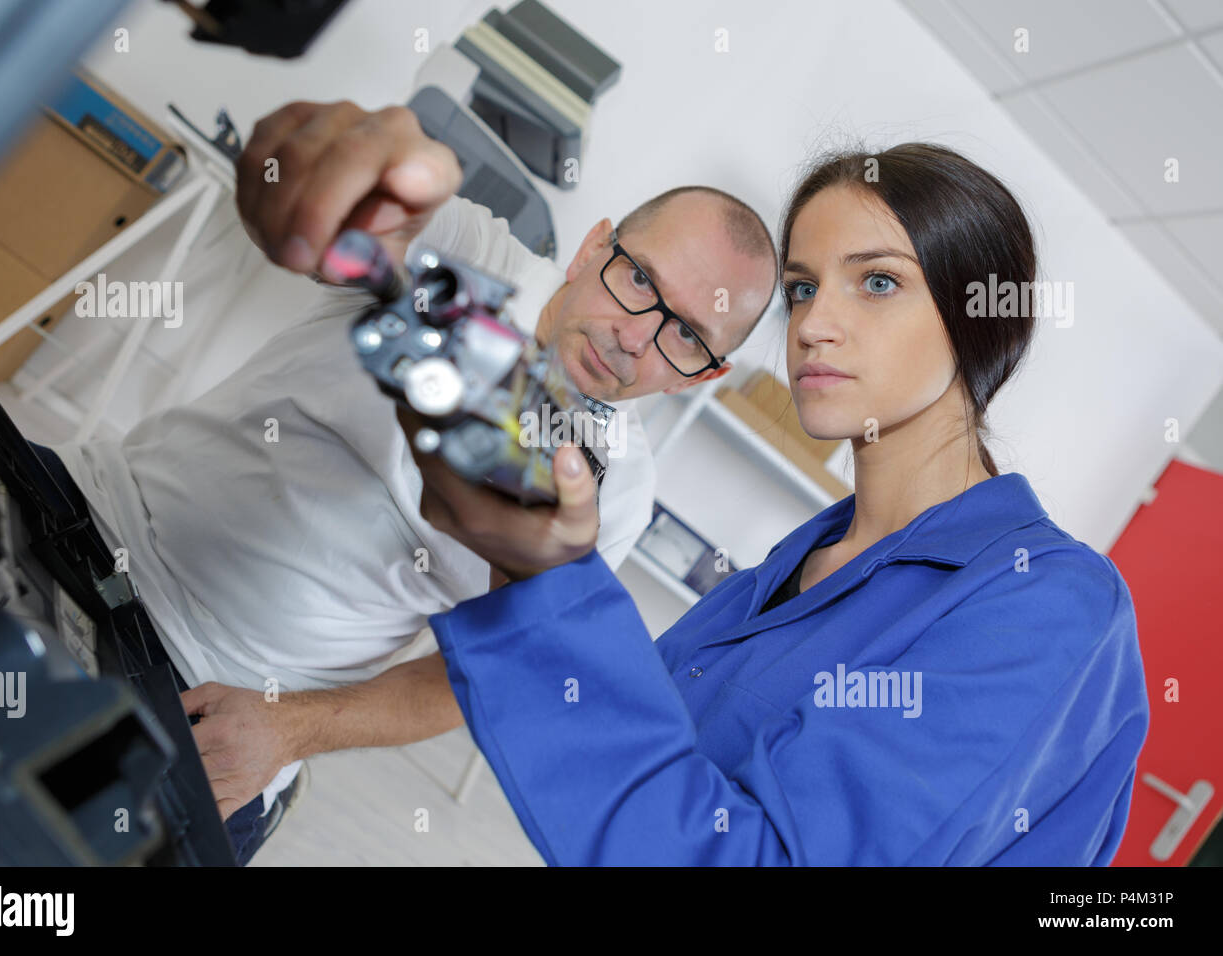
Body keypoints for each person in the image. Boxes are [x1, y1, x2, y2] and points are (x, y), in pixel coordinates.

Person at [44, 100, 780, 863]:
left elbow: (479, 678)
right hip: (90, 511)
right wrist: (347, 163)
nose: (636, 336)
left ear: (707, 374)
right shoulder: (466, 253)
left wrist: (291, 728)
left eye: (686, 335)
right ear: (595, 246)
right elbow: (359, 220)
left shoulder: (617, 492)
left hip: (228, 701)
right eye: (637, 278)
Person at [401, 143, 1152, 865]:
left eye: (879, 282)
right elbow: (621, 769)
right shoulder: (787, 573)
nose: (813, 326)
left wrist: (555, 580)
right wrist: (523, 547)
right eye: (802, 289)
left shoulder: (1050, 603)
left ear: (977, 321)